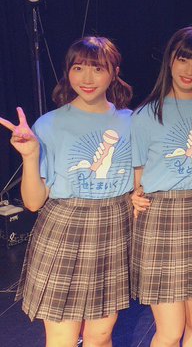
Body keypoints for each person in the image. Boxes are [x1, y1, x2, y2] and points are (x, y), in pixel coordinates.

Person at [0, 36, 134, 347]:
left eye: (97, 69)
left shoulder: (131, 122)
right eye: (78, 68)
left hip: (114, 228)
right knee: (62, 338)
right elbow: (34, 202)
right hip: (64, 229)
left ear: (114, 72)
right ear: (68, 72)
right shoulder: (49, 124)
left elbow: (138, 179)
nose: (87, 78)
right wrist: (30, 155)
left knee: (100, 335)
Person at [130, 27, 192, 347]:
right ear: (170, 60)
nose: (190, 69)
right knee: (170, 330)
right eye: (183, 59)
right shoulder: (146, 114)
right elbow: (137, 172)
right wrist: (133, 197)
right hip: (159, 215)